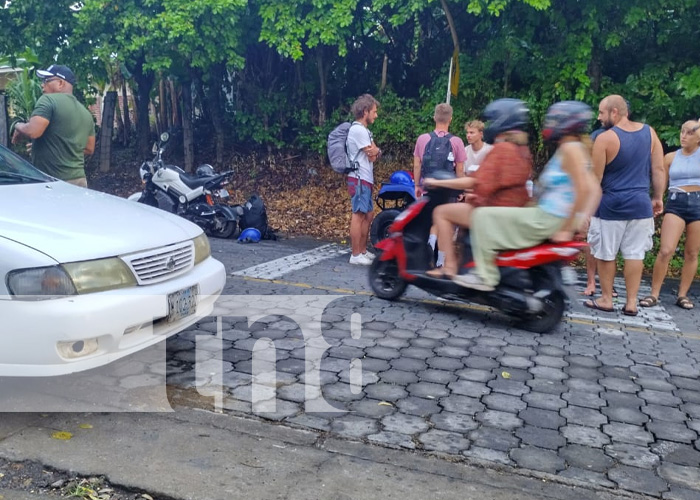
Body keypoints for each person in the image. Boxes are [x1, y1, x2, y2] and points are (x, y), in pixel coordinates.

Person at [455, 101, 601, 291]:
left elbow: (583, 189)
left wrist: (568, 227)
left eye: (556, 120)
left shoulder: (570, 149)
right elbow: (595, 190)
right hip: (549, 215)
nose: (551, 124)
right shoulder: (577, 147)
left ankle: (485, 276)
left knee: (482, 216)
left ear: (568, 123)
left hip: (549, 218)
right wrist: (580, 218)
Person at [422, 98, 533, 279]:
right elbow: (497, 184)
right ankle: (462, 263)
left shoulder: (501, 149)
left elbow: (474, 181)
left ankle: (448, 267)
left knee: (442, 212)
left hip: (492, 212)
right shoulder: (523, 151)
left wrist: (438, 182)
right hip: (509, 211)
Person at [585, 95, 664, 315]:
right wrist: (658, 197)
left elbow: (596, 179)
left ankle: (607, 299)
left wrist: (587, 210)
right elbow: (658, 169)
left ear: (614, 112)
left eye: (602, 112)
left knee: (606, 254)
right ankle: (631, 303)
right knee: (635, 255)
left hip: (611, 206)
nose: (599, 117)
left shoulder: (604, 139)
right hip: (640, 206)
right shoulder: (650, 133)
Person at [640, 120, 700, 310]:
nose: (684, 136)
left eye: (690, 133)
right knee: (666, 249)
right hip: (677, 202)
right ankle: (654, 293)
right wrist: (657, 201)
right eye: (682, 131)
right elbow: (661, 185)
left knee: (691, 252)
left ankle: (683, 294)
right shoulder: (670, 158)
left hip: (698, 203)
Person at [11, 64, 95, 187]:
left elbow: (34, 131)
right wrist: (47, 148)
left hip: (52, 182)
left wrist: (18, 125)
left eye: (47, 81)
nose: (42, 85)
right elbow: (89, 148)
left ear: (61, 83)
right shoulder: (86, 113)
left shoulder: (48, 100)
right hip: (79, 181)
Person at [413, 103, 467, 267]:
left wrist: (417, 185)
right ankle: (441, 261)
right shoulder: (457, 142)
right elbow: (459, 168)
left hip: (429, 186)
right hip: (448, 189)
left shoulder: (423, 139)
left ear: (434, 118)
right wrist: (461, 189)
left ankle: (430, 242)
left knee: (432, 219)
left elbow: (417, 164)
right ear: (450, 119)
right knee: (447, 223)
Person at [347, 94, 381, 265]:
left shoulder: (366, 131)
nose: (376, 115)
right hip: (358, 177)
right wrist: (375, 150)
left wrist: (375, 150)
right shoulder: (358, 130)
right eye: (374, 112)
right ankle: (355, 254)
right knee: (359, 214)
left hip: (366, 177)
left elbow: (373, 156)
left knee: (368, 214)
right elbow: (372, 152)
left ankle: (362, 250)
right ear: (365, 111)